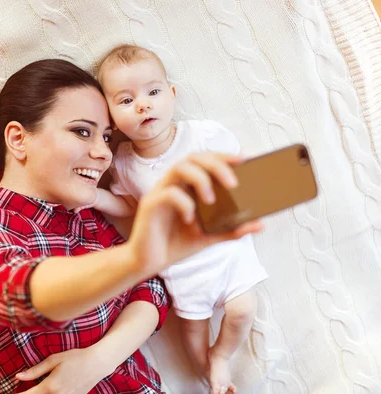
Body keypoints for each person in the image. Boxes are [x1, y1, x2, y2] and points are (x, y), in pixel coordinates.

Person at [0, 58, 263, 393]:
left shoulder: (80, 214)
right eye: (82, 132)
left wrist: (97, 361)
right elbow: (23, 294)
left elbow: (150, 291)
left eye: (106, 136)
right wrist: (139, 256)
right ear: (17, 139)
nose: (103, 153)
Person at [81, 45, 269, 394]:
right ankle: (209, 371)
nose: (143, 105)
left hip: (225, 250)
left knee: (243, 309)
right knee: (192, 331)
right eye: (125, 100)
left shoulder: (202, 136)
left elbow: (235, 173)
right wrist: (95, 197)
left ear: (172, 93)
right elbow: (130, 205)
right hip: (183, 266)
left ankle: (223, 356)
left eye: (153, 92)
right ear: (110, 115)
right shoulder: (123, 161)